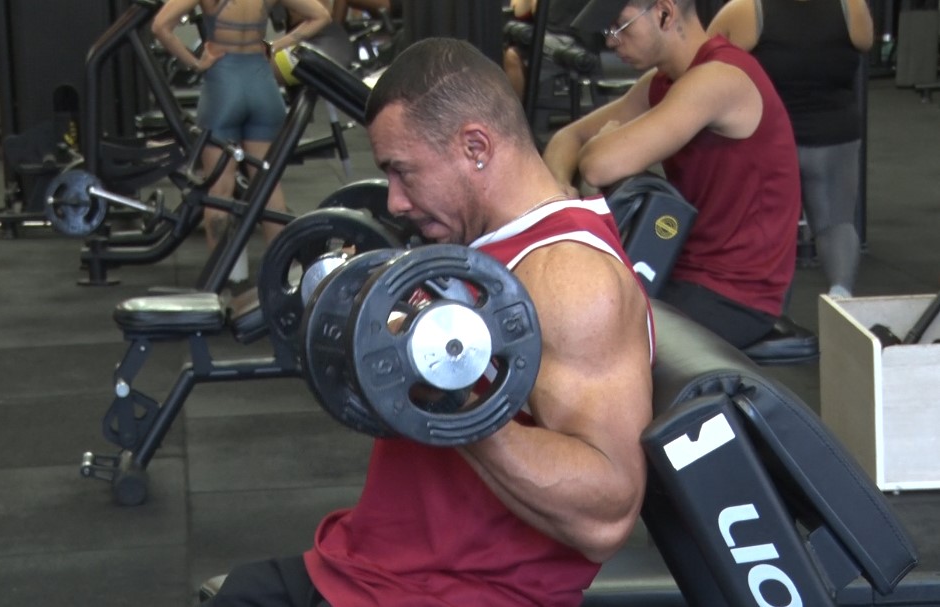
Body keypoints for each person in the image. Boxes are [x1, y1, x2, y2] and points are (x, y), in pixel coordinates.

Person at [206, 38, 655, 607]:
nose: (393, 202)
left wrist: (449, 397)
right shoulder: (476, 247)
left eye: (403, 172)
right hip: (371, 569)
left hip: (459, 595)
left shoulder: (570, 277)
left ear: (475, 146)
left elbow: (606, 513)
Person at [542, 0, 802, 349]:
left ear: (664, 13)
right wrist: (559, 189)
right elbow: (567, 137)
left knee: (593, 346)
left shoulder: (719, 77)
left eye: (619, 27)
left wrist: (599, 147)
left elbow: (597, 164)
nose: (610, 42)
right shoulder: (664, 82)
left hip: (736, 294)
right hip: (685, 270)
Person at [152, 0, 330, 285]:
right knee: (268, 185)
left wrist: (196, 63)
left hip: (223, 86)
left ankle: (228, 278)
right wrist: (275, 44)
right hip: (262, 86)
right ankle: (286, 277)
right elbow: (321, 15)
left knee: (219, 190)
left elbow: (160, 26)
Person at [708, 0, 874, 299]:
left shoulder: (744, 9)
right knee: (837, 223)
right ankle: (842, 298)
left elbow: (702, 65)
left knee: (767, 232)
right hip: (833, 133)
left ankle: (767, 313)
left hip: (770, 139)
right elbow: (865, 42)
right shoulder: (852, 6)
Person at [503, 0, 589, 99]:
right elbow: (519, 11)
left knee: (511, 53)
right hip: (544, 36)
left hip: (573, 39)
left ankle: (512, 111)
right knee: (507, 52)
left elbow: (541, 12)